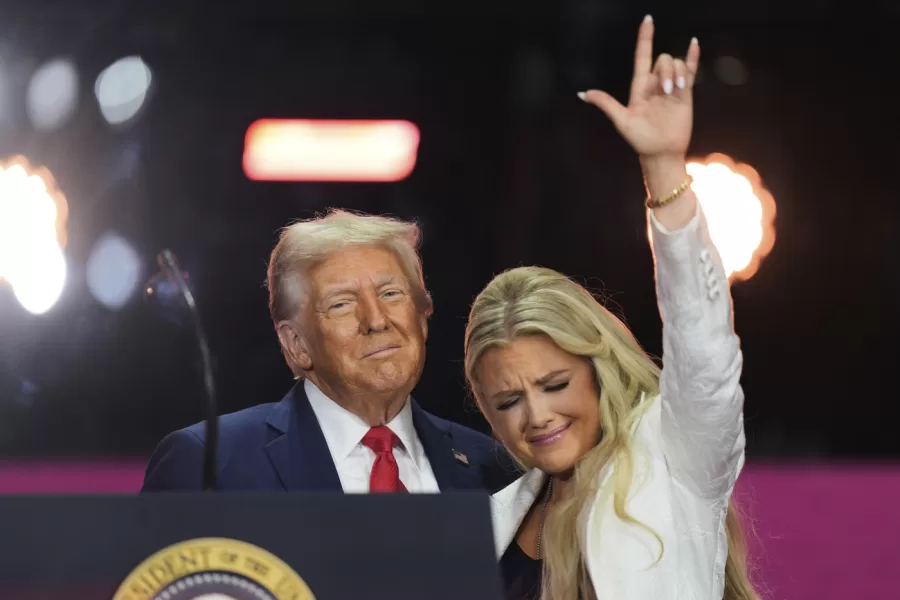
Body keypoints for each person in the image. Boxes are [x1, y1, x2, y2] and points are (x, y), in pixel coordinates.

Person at [464, 16, 759, 600]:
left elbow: (704, 348)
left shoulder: (674, 454)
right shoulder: (485, 521)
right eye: (508, 400)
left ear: (597, 370)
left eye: (553, 383)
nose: (537, 415)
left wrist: (664, 170)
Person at [142, 210, 514, 494]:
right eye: (340, 304)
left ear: (423, 318)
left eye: (391, 294)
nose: (376, 320)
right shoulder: (210, 464)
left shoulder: (492, 469)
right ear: (296, 344)